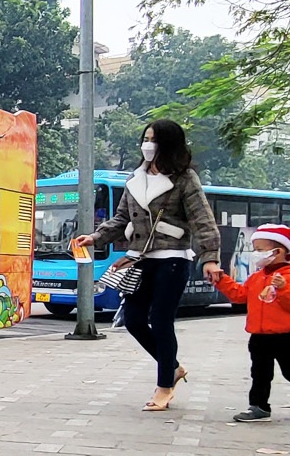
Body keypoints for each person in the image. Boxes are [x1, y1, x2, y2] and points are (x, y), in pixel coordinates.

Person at [71, 118, 221, 412]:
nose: (147, 144)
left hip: (173, 259)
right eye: (145, 138)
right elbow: (121, 219)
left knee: (162, 321)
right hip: (140, 259)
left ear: (167, 144)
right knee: (134, 320)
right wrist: (96, 236)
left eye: (153, 139)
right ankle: (173, 367)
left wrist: (210, 258)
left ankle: (165, 385)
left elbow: (202, 220)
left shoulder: (184, 179)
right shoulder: (135, 179)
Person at [211, 224, 290, 421]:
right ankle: (259, 406)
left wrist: (284, 288)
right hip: (259, 334)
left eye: (259, 250)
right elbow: (241, 295)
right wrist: (222, 280)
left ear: (279, 251)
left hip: (288, 336)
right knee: (259, 373)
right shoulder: (258, 277)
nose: (255, 254)